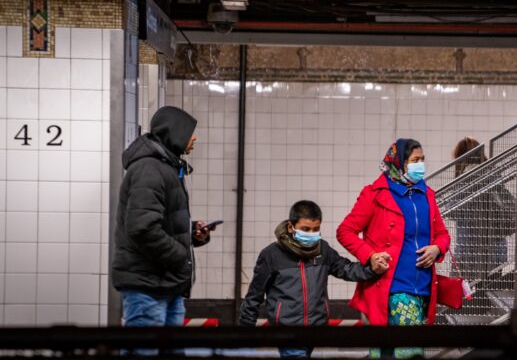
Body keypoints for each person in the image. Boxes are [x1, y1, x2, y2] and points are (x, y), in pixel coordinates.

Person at [111, 106, 214, 355]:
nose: (195, 138)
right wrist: (180, 254)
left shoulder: (166, 166)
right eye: (191, 132)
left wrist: (190, 233)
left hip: (165, 283)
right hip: (148, 285)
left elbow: (159, 223)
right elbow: (142, 228)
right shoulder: (150, 169)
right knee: (143, 352)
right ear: (175, 133)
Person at [337, 138, 451, 358]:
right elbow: (345, 231)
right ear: (399, 163)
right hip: (392, 285)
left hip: (423, 286)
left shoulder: (426, 194)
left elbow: (442, 235)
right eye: (415, 160)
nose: (421, 165)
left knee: (386, 352)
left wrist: (437, 248)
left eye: (422, 160)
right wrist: (369, 255)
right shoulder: (374, 194)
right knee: (409, 351)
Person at [239, 200, 390, 358]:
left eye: (315, 229)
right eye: (305, 229)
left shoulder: (323, 250)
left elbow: (346, 269)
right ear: (291, 227)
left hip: (316, 329)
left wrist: (373, 268)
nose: (311, 234)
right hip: (287, 332)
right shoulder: (271, 255)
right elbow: (254, 295)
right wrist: (245, 333)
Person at [451, 137, 515, 316]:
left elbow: (454, 211)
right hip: (495, 251)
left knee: (468, 302)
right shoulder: (491, 174)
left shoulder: (465, 179)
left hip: (470, 253)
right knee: (489, 298)